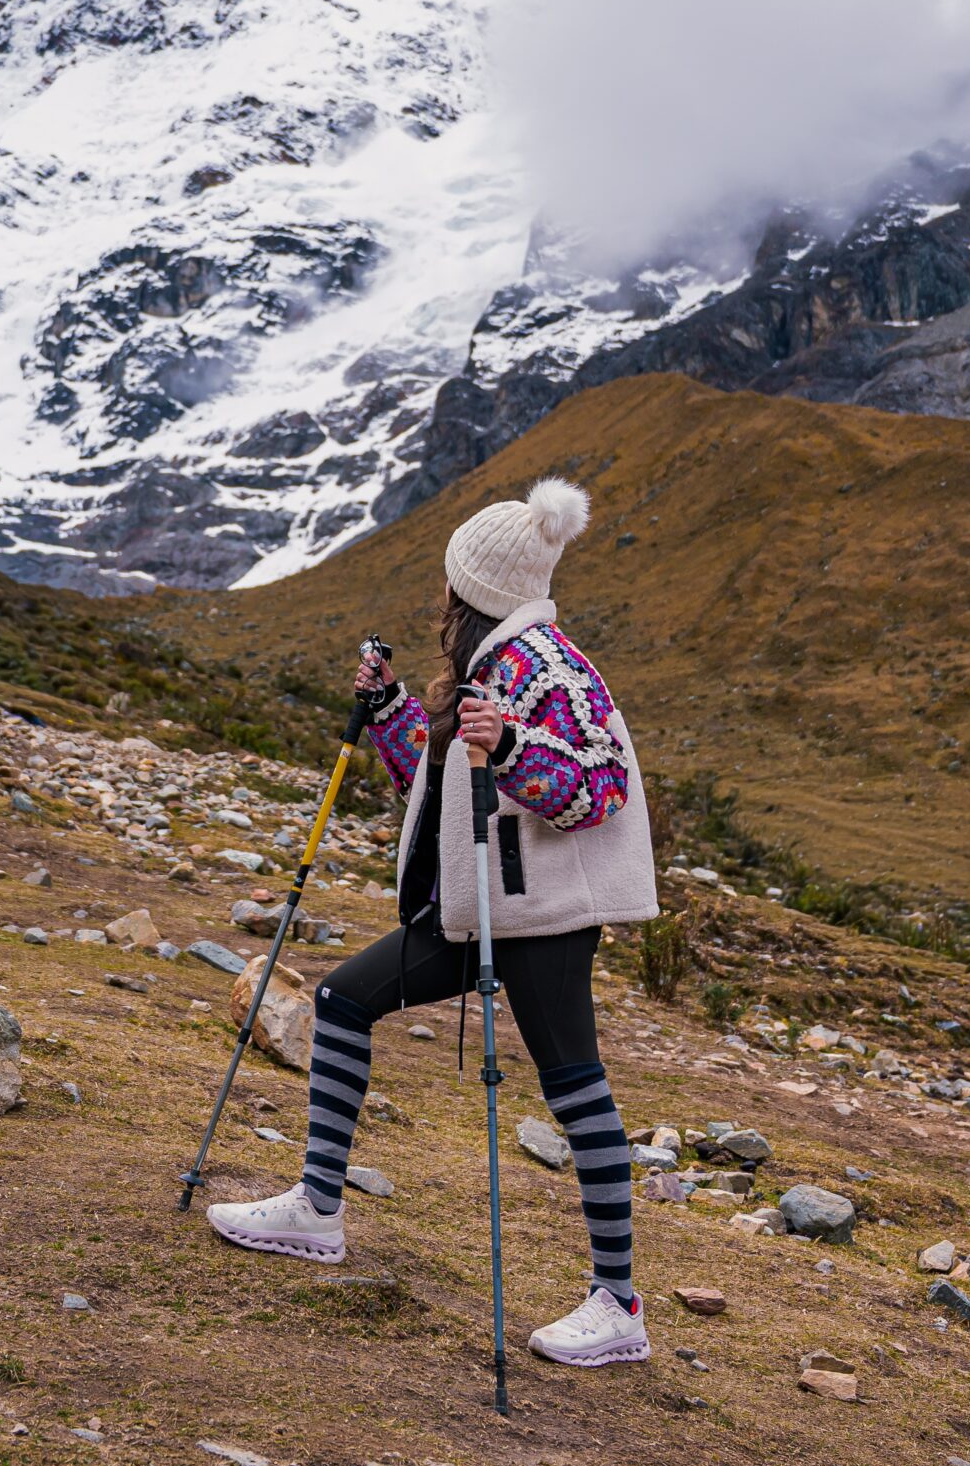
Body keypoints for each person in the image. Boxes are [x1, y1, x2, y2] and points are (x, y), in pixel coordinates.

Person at [205, 474, 660, 1368]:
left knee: (575, 1090)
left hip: (542, 919)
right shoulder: (490, 666)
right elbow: (450, 778)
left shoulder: (551, 669)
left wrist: (518, 747)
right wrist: (390, 710)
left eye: (449, 583)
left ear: (475, 592)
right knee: (340, 1001)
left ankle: (619, 1306)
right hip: (469, 910)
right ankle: (318, 1210)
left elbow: (596, 790)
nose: (437, 598)